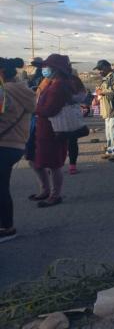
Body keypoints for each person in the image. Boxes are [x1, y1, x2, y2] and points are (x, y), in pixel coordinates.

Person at [0, 57, 35, 242]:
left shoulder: (5, 91)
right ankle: (7, 225)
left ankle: (7, 228)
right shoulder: (23, 90)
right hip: (15, 145)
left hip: (3, 144)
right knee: (2, 187)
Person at [32, 54, 73, 207]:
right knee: (43, 161)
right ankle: (48, 191)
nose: (44, 69)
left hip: (52, 129)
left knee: (54, 164)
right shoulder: (52, 83)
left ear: (55, 69)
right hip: (46, 128)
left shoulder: (58, 85)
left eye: (46, 67)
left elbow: (50, 109)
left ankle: (55, 195)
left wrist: (34, 110)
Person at [94, 59, 114, 162]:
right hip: (107, 109)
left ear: (107, 67)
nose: (99, 71)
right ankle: (109, 151)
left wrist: (102, 91)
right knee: (109, 132)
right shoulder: (106, 78)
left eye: (100, 69)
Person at [67, 74, 89, 174]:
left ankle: (57, 166)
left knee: (65, 141)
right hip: (72, 114)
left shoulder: (52, 80)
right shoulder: (74, 79)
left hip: (60, 115)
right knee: (72, 141)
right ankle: (72, 166)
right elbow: (82, 95)